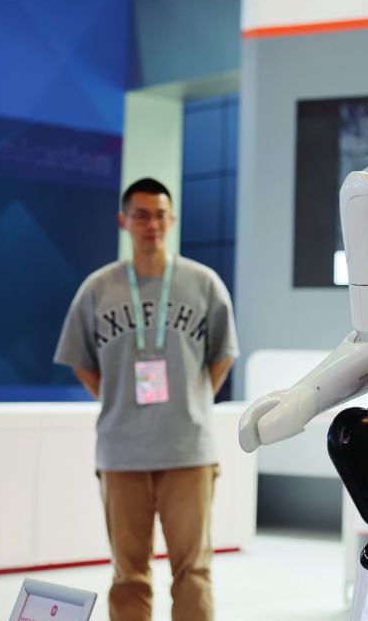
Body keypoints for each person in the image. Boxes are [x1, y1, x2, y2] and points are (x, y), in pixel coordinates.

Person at [54, 177, 238, 621]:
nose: (151, 224)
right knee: (128, 574)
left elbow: (223, 355)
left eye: (159, 215)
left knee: (193, 570)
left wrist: (192, 402)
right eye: (141, 215)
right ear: (124, 221)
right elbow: (80, 360)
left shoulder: (203, 283)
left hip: (187, 450)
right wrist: (117, 400)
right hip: (122, 452)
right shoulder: (98, 289)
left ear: (171, 220)